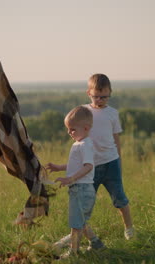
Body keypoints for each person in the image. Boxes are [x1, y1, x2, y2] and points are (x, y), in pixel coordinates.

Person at [53, 73, 135, 249]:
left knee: (119, 198)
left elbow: (116, 138)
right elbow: (75, 132)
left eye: (104, 96)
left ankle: (129, 228)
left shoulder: (113, 113)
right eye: (95, 96)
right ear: (88, 93)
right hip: (90, 166)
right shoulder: (83, 111)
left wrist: (119, 160)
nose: (99, 100)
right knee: (84, 202)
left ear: (110, 93)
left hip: (111, 162)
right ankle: (77, 233)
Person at [46, 106, 106, 257]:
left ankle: (73, 252)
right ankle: (96, 243)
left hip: (81, 189)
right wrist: (59, 167)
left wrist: (70, 179)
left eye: (72, 129)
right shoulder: (80, 144)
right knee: (81, 222)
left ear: (85, 128)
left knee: (76, 225)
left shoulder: (85, 145)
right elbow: (76, 165)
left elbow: (88, 166)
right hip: (79, 189)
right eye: (68, 129)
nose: (69, 132)